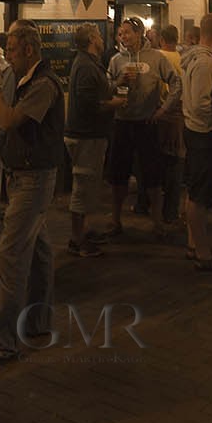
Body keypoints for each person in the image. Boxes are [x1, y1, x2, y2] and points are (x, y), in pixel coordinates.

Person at [0, 23, 67, 368]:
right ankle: (39, 320)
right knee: (41, 250)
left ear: (29, 50)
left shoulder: (44, 84)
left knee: (11, 255)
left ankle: (2, 342)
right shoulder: (29, 79)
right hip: (24, 175)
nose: (9, 56)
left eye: (13, 50)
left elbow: (10, 120)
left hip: (34, 179)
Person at [106, 18, 181, 238]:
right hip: (122, 123)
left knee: (152, 175)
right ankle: (115, 220)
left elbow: (176, 83)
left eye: (128, 33)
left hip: (147, 123)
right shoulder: (116, 60)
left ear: (140, 34)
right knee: (118, 175)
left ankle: (157, 223)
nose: (123, 37)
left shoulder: (156, 58)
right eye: (121, 34)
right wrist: (119, 81)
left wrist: (163, 110)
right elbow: (105, 87)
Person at [64, 24, 123, 257]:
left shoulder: (88, 63)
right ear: (91, 39)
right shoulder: (87, 66)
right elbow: (92, 105)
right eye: (98, 35)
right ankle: (77, 240)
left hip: (89, 135)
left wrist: (116, 85)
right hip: (86, 136)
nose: (102, 38)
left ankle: (85, 230)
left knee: (87, 186)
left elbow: (100, 91)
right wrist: (114, 104)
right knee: (82, 187)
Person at [181, 13, 212, 269]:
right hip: (203, 135)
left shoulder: (201, 59)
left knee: (196, 191)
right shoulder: (204, 63)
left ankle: (195, 243)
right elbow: (201, 104)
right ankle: (202, 253)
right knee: (199, 194)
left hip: (197, 132)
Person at [154, 25, 187, 230]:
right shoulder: (183, 59)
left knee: (160, 163)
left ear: (161, 39)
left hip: (161, 112)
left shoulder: (158, 57)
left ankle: (155, 208)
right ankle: (171, 210)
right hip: (180, 115)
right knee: (176, 162)